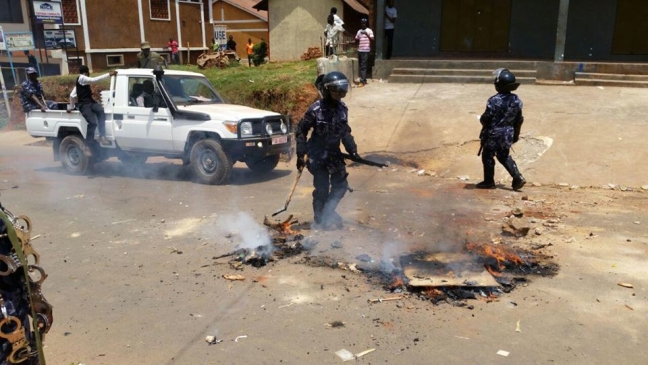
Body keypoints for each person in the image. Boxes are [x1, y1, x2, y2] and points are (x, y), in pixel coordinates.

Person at [295, 71, 359, 230]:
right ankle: (319, 217)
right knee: (322, 188)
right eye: (336, 90)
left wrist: (352, 150)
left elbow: (345, 132)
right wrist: (300, 154)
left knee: (341, 186)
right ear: (326, 90)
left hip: (334, 154)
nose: (340, 93)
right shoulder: (315, 109)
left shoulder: (343, 109)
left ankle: (327, 211)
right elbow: (301, 130)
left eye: (343, 90)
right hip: (317, 154)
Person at [477, 68, 526, 191]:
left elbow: (486, 118)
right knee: (503, 155)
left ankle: (489, 181)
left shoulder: (494, 100)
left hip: (494, 133)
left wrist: (482, 121)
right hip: (508, 133)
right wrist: (516, 134)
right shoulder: (516, 100)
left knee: (487, 155)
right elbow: (519, 119)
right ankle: (517, 177)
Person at [67, 65, 117, 145]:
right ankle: (87, 144)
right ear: (86, 72)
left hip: (90, 102)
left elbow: (72, 95)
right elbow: (94, 80)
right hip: (83, 105)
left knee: (100, 111)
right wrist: (108, 74)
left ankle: (102, 136)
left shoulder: (81, 82)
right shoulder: (82, 78)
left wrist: (71, 107)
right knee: (92, 123)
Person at [354, 18, 374, 87]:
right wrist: (355, 40)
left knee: (363, 65)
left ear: (366, 24)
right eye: (362, 23)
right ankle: (364, 79)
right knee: (361, 65)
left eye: (365, 23)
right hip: (360, 50)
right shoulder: (359, 31)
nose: (363, 24)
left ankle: (362, 81)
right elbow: (356, 39)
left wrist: (366, 34)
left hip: (366, 50)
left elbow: (372, 39)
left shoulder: (369, 31)